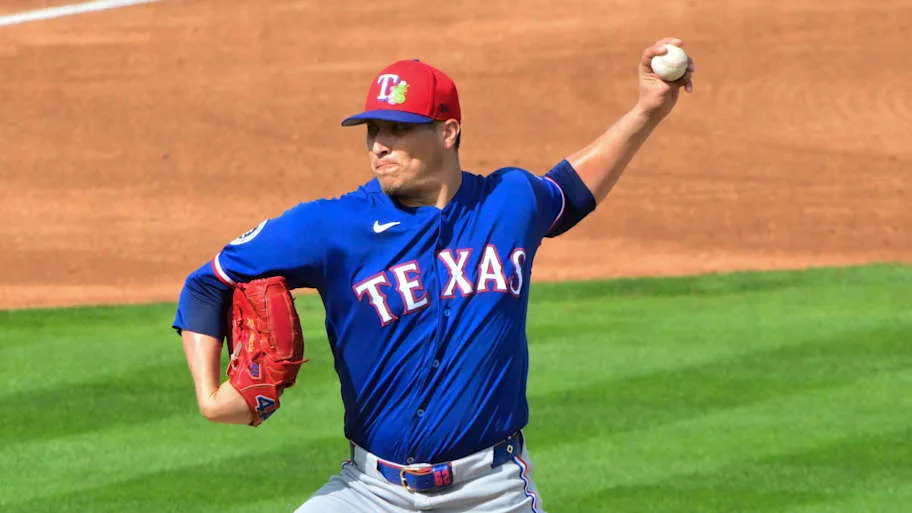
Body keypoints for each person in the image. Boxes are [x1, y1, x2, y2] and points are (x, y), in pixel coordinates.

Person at [174, 37, 694, 513]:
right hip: (369, 490)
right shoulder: (331, 226)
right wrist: (209, 393)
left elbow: (571, 192)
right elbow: (207, 282)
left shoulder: (508, 201)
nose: (379, 144)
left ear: (448, 131)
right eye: (374, 129)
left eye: (399, 130)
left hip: (491, 492)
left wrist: (649, 109)